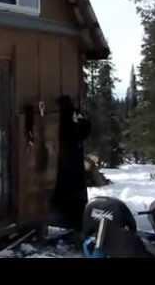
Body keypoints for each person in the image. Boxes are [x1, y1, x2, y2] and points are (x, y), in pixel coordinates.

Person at [51, 95, 91, 233]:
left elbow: (83, 130)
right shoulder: (74, 115)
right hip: (72, 157)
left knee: (67, 189)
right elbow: (85, 129)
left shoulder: (66, 117)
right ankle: (74, 220)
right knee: (73, 191)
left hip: (68, 158)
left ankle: (68, 220)